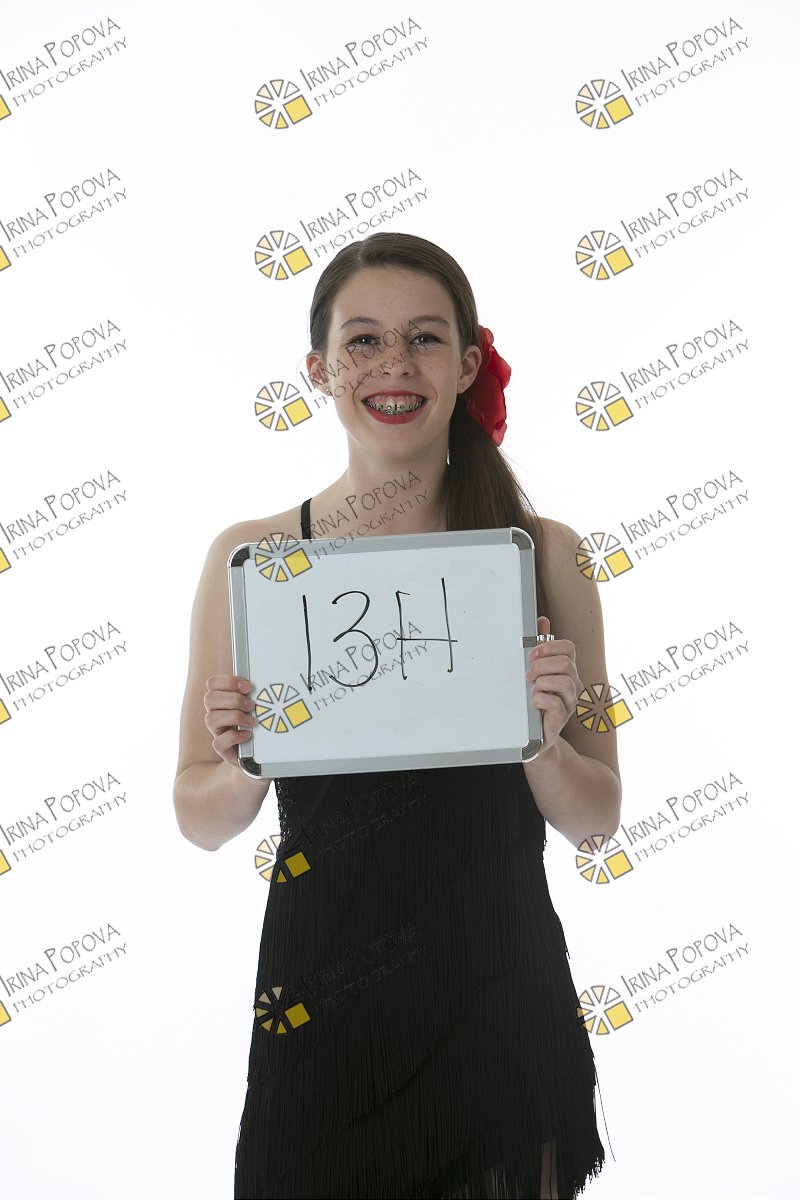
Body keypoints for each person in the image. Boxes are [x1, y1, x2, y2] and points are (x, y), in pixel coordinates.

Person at [173, 232, 622, 1199]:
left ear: (466, 365)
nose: (394, 365)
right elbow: (196, 816)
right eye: (363, 341)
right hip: (321, 1000)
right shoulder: (255, 559)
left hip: (499, 1001)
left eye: (424, 338)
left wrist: (543, 740)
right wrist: (244, 759)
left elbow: (598, 819)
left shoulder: (548, 553)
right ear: (319, 371)